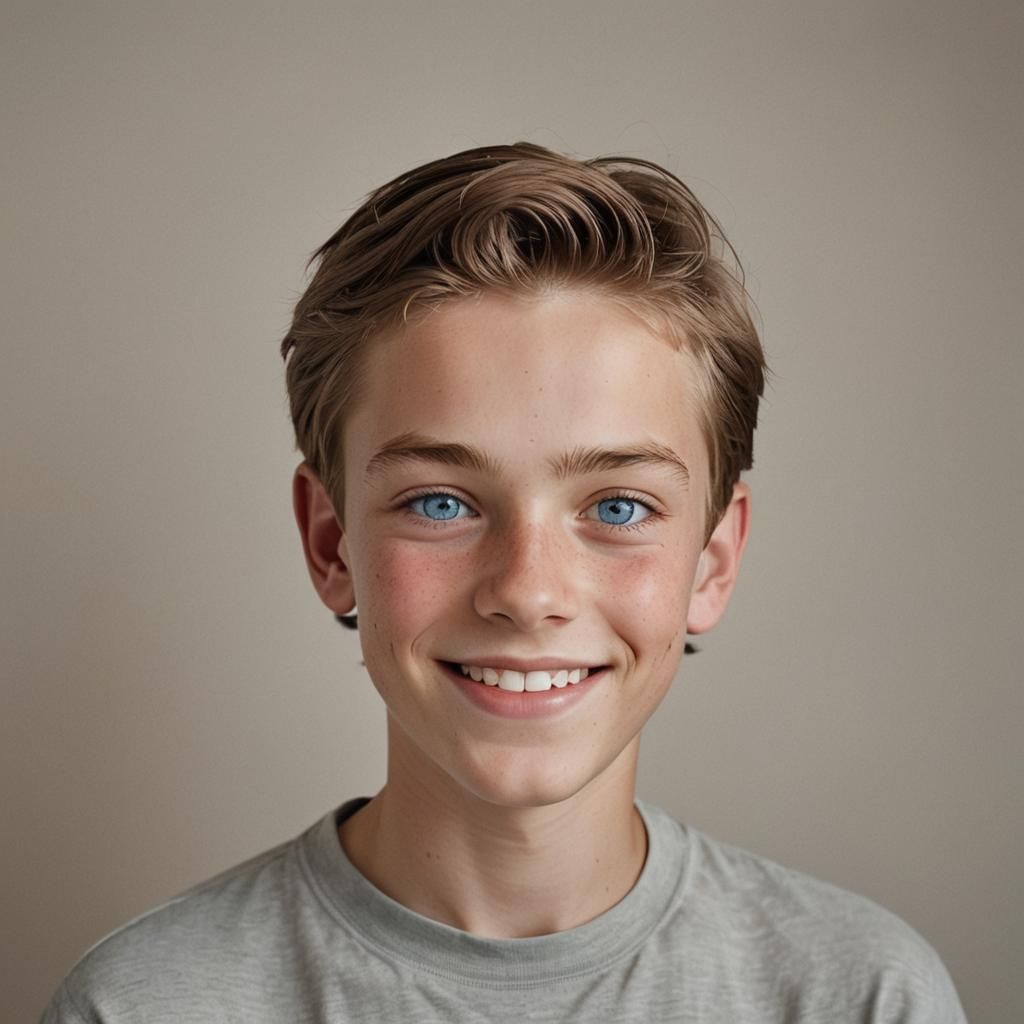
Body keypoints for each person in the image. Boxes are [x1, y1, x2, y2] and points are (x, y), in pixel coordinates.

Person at [41, 143, 967, 1022]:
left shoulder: (861, 996)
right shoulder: (142, 1004)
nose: (527, 593)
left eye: (618, 507)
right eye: (441, 504)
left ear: (712, 563)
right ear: (331, 544)